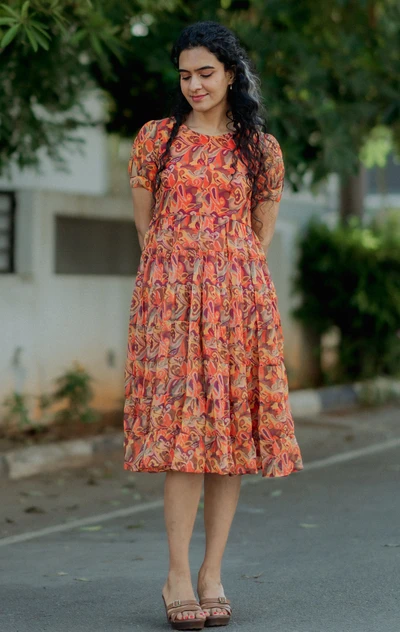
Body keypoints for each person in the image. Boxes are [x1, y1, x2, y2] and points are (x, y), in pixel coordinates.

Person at [123, 20, 304, 630]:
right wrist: (177, 281)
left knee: (228, 442)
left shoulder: (261, 149)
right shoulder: (157, 138)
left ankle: (212, 574)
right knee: (185, 435)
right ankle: (177, 574)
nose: (195, 85)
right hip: (172, 302)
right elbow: (146, 225)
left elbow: (261, 233)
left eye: (206, 73)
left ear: (231, 74)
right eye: (185, 75)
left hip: (238, 303)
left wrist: (223, 277)